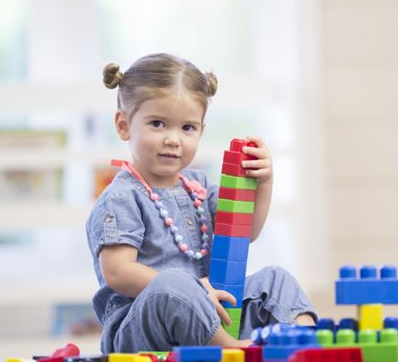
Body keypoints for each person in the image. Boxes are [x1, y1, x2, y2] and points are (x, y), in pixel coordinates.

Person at [86, 53, 316, 353]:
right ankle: (234, 352)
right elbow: (117, 272)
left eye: (187, 128)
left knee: (275, 279)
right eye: (158, 124)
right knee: (173, 283)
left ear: (201, 130)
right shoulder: (122, 197)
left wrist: (265, 183)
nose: (173, 139)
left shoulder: (198, 187)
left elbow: (244, 235)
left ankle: (306, 347)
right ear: (124, 125)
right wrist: (192, 287)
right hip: (143, 329)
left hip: (213, 313)